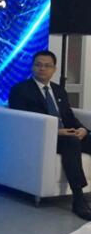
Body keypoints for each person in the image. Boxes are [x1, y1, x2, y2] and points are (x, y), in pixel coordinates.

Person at [9, 50, 91, 220]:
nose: (42, 69)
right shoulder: (20, 90)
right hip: (41, 138)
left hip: (65, 134)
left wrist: (83, 129)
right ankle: (78, 199)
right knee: (72, 142)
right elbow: (22, 122)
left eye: (47, 66)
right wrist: (56, 131)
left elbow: (69, 117)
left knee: (82, 138)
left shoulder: (59, 90)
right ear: (32, 67)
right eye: (38, 65)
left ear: (54, 69)